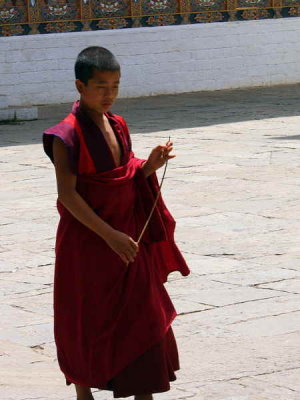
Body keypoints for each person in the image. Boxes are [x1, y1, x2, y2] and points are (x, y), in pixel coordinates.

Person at [43, 46, 190, 400]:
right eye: (100, 86)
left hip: (127, 239)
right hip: (89, 241)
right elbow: (68, 195)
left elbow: (125, 172)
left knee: (143, 317)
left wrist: (150, 165)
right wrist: (110, 236)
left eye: (115, 86)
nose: (108, 95)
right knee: (86, 316)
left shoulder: (119, 124)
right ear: (81, 86)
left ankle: (142, 392)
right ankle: (84, 393)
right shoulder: (66, 134)